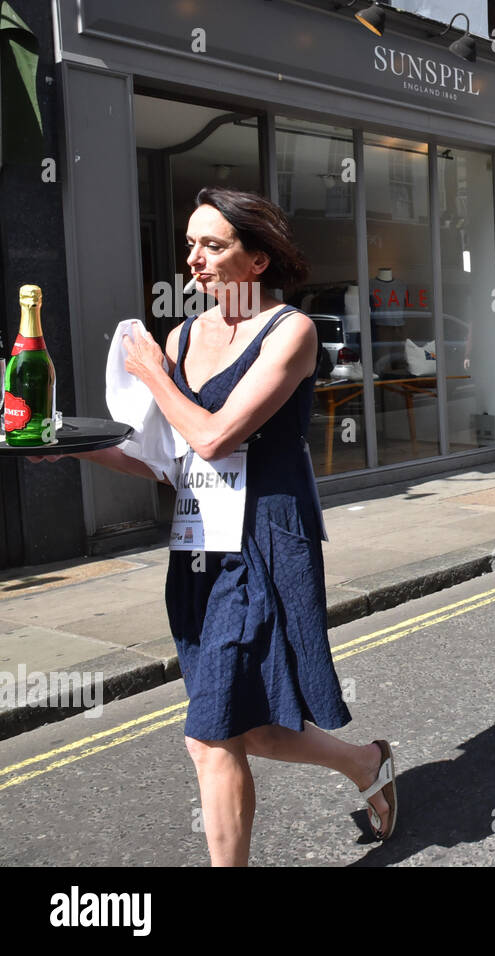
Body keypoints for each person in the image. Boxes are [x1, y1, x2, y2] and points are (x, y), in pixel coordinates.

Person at [43, 189, 397, 864]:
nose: (193, 261)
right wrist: (72, 445)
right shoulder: (181, 336)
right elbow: (168, 465)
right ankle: (366, 764)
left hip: (264, 542)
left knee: (208, 737)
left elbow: (212, 435)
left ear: (257, 258)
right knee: (249, 729)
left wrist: (148, 370)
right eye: (190, 244)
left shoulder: (291, 332)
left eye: (213, 245)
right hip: (198, 546)